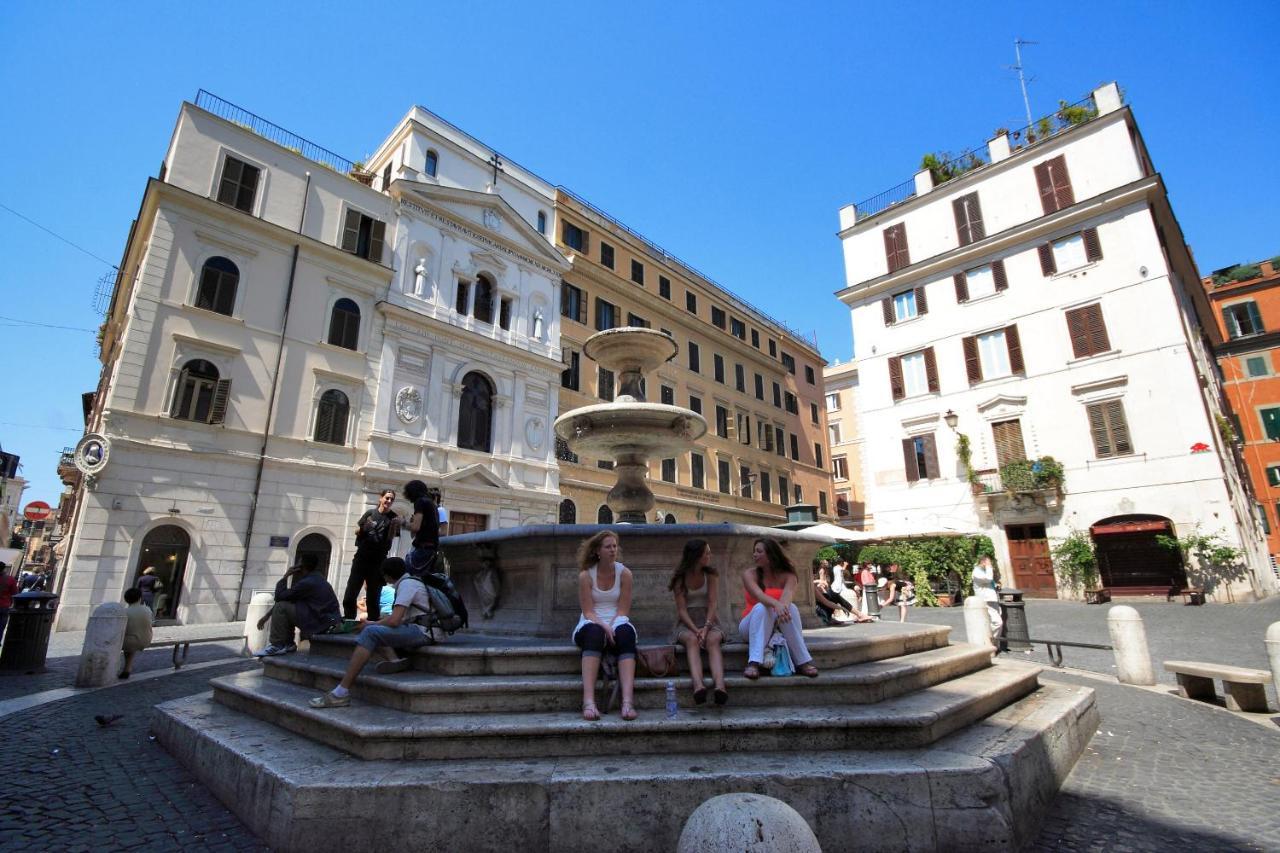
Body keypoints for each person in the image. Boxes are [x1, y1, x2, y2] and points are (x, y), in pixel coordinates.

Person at [310, 557, 432, 708]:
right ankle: (394, 660)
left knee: (370, 632)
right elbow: (400, 619)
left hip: (422, 632)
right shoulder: (409, 583)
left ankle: (341, 692)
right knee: (372, 629)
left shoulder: (407, 585)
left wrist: (372, 624)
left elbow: (394, 621)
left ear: (387, 575)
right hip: (420, 628)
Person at [573, 530, 638, 721]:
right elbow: (588, 611)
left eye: (615, 546)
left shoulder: (625, 573)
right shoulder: (586, 576)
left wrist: (613, 625)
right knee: (594, 633)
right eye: (608, 547)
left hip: (618, 620)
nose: (612, 550)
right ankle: (589, 702)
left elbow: (623, 610)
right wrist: (604, 626)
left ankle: (627, 702)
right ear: (597, 551)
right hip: (591, 622)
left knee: (626, 634)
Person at [739, 539, 818, 680]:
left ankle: (802, 661)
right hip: (751, 625)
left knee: (791, 608)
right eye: (754, 551)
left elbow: (787, 597)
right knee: (762, 607)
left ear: (771, 555)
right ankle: (754, 662)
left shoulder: (789, 575)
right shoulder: (749, 574)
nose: (754, 555)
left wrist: (782, 606)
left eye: (759, 551)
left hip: (779, 625)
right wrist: (777, 605)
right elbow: (759, 595)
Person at [669, 539, 727, 706]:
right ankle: (698, 685)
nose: (710, 556)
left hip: (710, 620)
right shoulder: (680, 578)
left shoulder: (711, 574)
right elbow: (681, 610)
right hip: (687, 623)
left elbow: (712, 603)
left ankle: (720, 686)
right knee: (692, 640)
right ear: (696, 556)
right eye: (706, 553)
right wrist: (696, 630)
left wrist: (707, 627)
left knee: (713, 640)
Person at [254, 553, 342, 657]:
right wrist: (267, 616)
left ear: (301, 567)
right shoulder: (317, 578)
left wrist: (285, 577)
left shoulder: (307, 583)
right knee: (287, 606)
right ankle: (288, 643)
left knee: (282, 607)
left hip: (321, 622)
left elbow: (280, 597)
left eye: (298, 563)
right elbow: (288, 599)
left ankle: (277, 645)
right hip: (326, 620)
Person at [343, 489, 400, 623]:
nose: (389, 501)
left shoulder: (393, 518)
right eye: (387, 498)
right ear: (380, 498)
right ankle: (349, 619)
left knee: (374, 593)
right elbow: (358, 531)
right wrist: (365, 528)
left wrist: (393, 526)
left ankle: (373, 620)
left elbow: (391, 539)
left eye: (392, 499)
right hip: (362, 557)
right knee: (352, 590)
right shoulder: (370, 514)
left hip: (378, 560)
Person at [402, 480, 439, 577]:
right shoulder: (431, 504)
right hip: (432, 549)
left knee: (409, 577)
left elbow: (415, 527)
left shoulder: (420, 502)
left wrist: (402, 523)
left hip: (422, 548)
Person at [118, 588, 153, 679]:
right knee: (132, 640)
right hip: (146, 639)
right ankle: (127, 669)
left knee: (128, 641)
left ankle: (121, 668)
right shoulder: (147, 609)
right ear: (139, 598)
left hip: (130, 641)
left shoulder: (125, 612)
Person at [972, 555, 1002, 637]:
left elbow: (988, 582)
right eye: (989, 562)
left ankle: (996, 643)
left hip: (992, 599)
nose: (991, 564)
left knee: (996, 620)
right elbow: (988, 579)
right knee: (997, 622)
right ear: (983, 562)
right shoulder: (976, 572)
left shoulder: (983, 571)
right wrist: (989, 568)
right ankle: (990, 639)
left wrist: (995, 585)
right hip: (986, 600)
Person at [0, 563, 17, 643]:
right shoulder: (10, 579)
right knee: (0, 628)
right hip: (3, 606)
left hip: (4, 606)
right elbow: (14, 593)